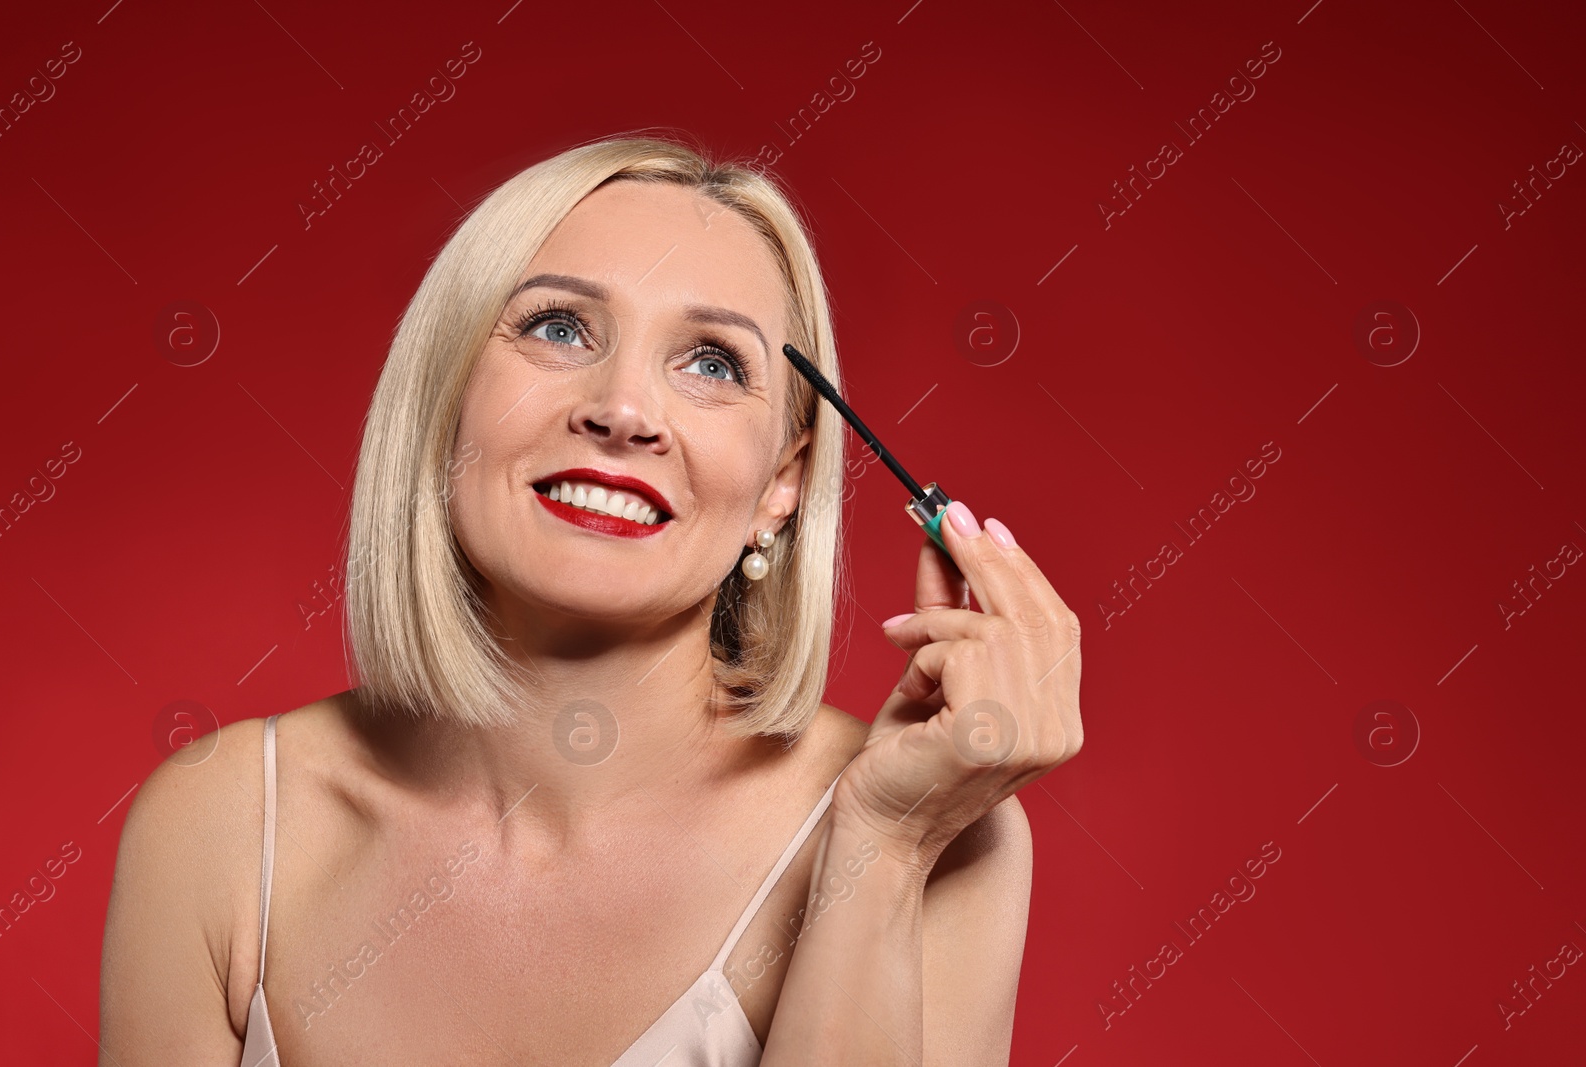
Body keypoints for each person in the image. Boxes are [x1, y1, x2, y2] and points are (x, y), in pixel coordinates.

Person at [98, 132, 1084, 1066]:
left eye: (711, 362)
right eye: (558, 327)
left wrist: (882, 845)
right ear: (445, 403)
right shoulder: (225, 825)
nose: (621, 410)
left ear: (781, 485)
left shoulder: (944, 828)